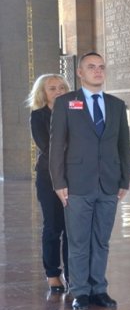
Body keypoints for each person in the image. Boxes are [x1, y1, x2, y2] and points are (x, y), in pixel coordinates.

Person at [50, 52, 130, 310]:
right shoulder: (66, 102)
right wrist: (58, 182)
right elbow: (56, 145)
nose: (98, 71)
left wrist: (124, 181)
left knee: (101, 240)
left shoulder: (116, 105)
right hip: (77, 183)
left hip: (109, 183)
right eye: (91, 67)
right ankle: (80, 291)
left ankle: (99, 289)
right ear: (80, 73)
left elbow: (123, 145)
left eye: (101, 67)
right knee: (78, 241)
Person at [28, 73, 70, 293]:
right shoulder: (38, 116)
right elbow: (47, 146)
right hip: (49, 177)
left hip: (74, 176)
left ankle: (72, 274)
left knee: (72, 228)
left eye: (61, 87)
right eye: (52, 88)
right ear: (43, 93)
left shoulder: (75, 112)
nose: (58, 92)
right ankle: (53, 274)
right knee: (53, 226)